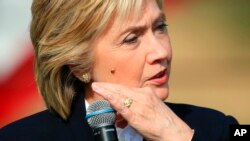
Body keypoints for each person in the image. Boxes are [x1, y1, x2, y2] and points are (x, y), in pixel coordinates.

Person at [0, 0, 238, 140]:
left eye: (160, 27)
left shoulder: (216, 127)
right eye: (131, 38)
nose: (161, 51)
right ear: (77, 63)